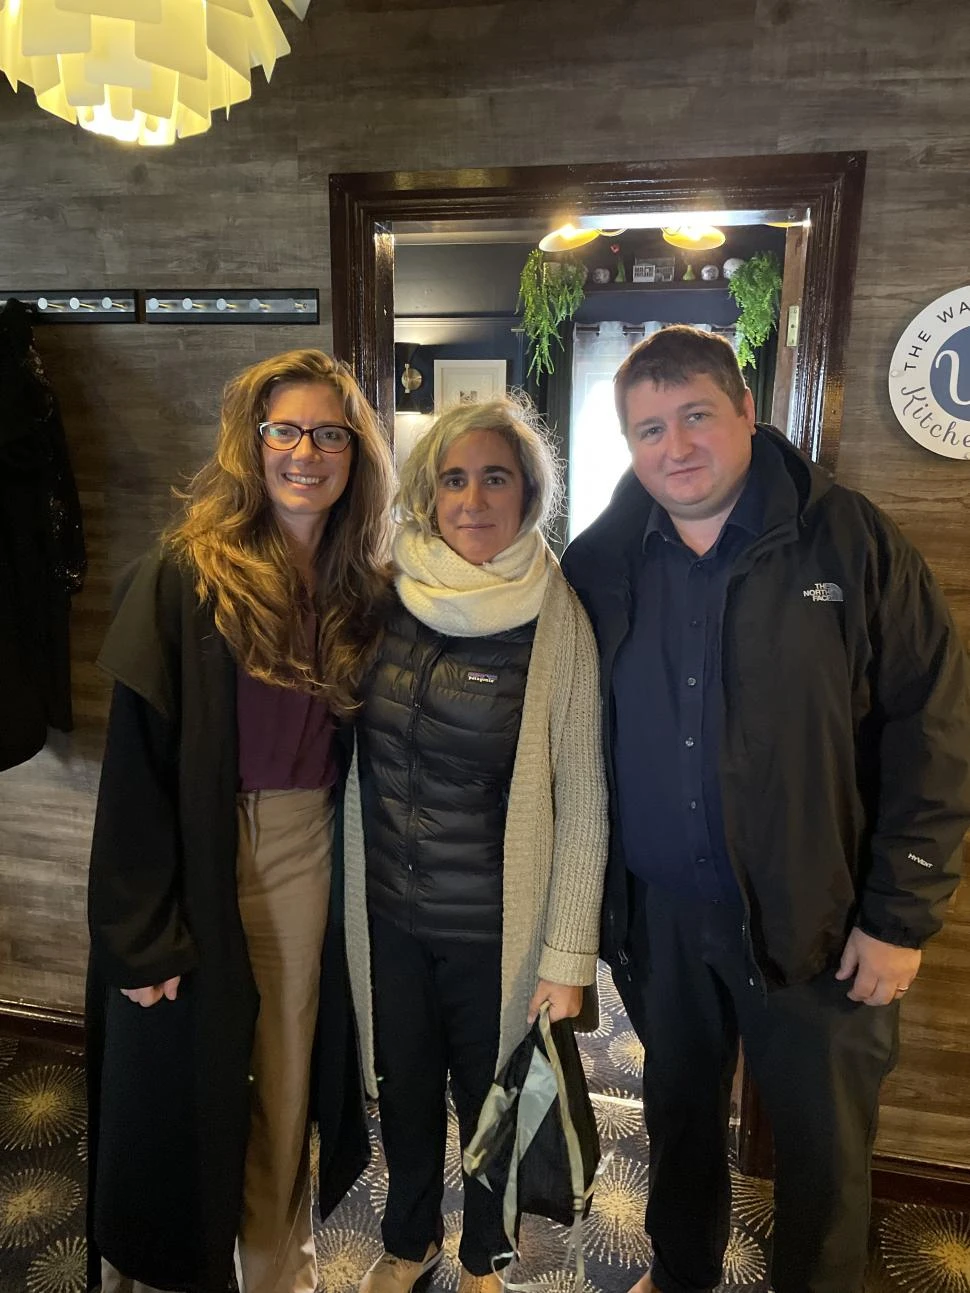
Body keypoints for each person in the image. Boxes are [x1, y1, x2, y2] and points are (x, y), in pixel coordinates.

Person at [561, 325, 970, 1293]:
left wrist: (897, 919)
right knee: (678, 1119)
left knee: (825, 1153)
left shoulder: (852, 541)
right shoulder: (602, 561)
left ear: (748, 412)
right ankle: (678, 1269)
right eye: (650, 427)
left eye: (697, 414)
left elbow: (936, 731)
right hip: (662, 921)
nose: (677, 445)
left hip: (821, 920)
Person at [86, 350, 394, 1293]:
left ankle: (277, 1268)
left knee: (288, 1079)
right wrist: (140, 937)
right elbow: (132, 770)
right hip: (194, 854)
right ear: (251, 444)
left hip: (308, 855)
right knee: (182, 1085)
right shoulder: (188, 577)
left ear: (356, 452)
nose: (306, 452)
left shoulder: (360, 587)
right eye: (285, 431)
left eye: (329, 433)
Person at [341, 397, 609, 1293]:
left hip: (497, 925)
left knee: (491, 1099)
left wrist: (568, 951)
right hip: (387, 908)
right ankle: (407, 1238)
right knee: (405, 1088)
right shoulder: (384, 593)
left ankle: (485, 1256)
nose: (473, 498)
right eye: (453, 478)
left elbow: (583, 799)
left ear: (528, 492)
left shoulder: (557, 617)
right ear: (428, 492)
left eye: (496, 476)